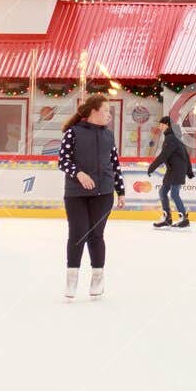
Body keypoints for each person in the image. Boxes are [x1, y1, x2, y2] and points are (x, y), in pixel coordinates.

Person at [58, 94, 125, 300]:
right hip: (76, 193)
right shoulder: (73, 133)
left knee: (96, 235)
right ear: (94, 111)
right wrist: (78, 173)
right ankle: (72, 279)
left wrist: (120, 191)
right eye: (106, 111)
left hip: (103, 193)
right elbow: (63, 160)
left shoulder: (108, 136)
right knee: (78, 234)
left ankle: (97, 277)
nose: (109, 115)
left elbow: (114, 164)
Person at [148, 115, 194, 230]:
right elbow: (186, 155)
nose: (160, 126)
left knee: (174, 194)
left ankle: (184, 219)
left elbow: (164, 155)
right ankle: (167, 218)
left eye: (161, 124)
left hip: (176, 170)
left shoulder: (171, 138)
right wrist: (189, 171)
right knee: (163, 192)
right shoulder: (172, 137)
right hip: (173, 170)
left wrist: (152, 167)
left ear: (167, 125)